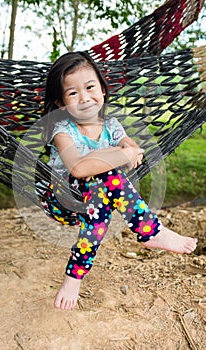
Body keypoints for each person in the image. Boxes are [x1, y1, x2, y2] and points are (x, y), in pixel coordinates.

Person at [40, 51, 197, 311]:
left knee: (105, 185)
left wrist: (125, 148)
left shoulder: (111, 126)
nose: (85, 97)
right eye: (73, 93)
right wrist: (118, 155)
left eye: (90, 87)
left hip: (95, 199)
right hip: (62, 200)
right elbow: (79, 168)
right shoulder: (62, 131)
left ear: (102, 90)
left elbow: (132, 149)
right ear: (60, 103)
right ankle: (150, 231)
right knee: (108, 174)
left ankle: (74, 277)